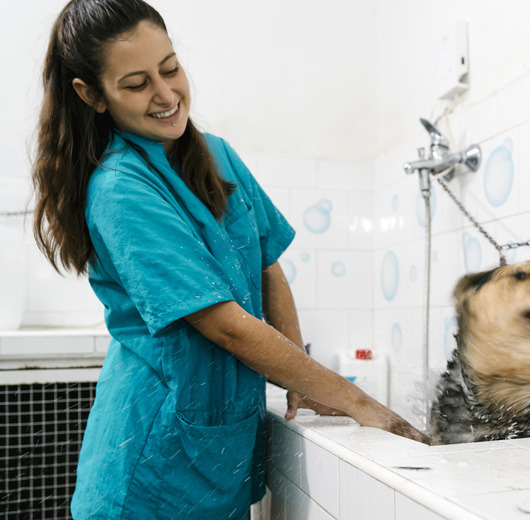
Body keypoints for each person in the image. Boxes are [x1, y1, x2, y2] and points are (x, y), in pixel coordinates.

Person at [31, 1, 427, 518]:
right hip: (148, 461)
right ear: (93, 95)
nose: (166, 94)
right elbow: (224, 325)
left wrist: (302, 386)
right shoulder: (119, 188)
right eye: (136, 83)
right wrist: (355, 400)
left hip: (217, 448)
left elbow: (267, 267)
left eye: (170, 67)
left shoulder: (216, 153)